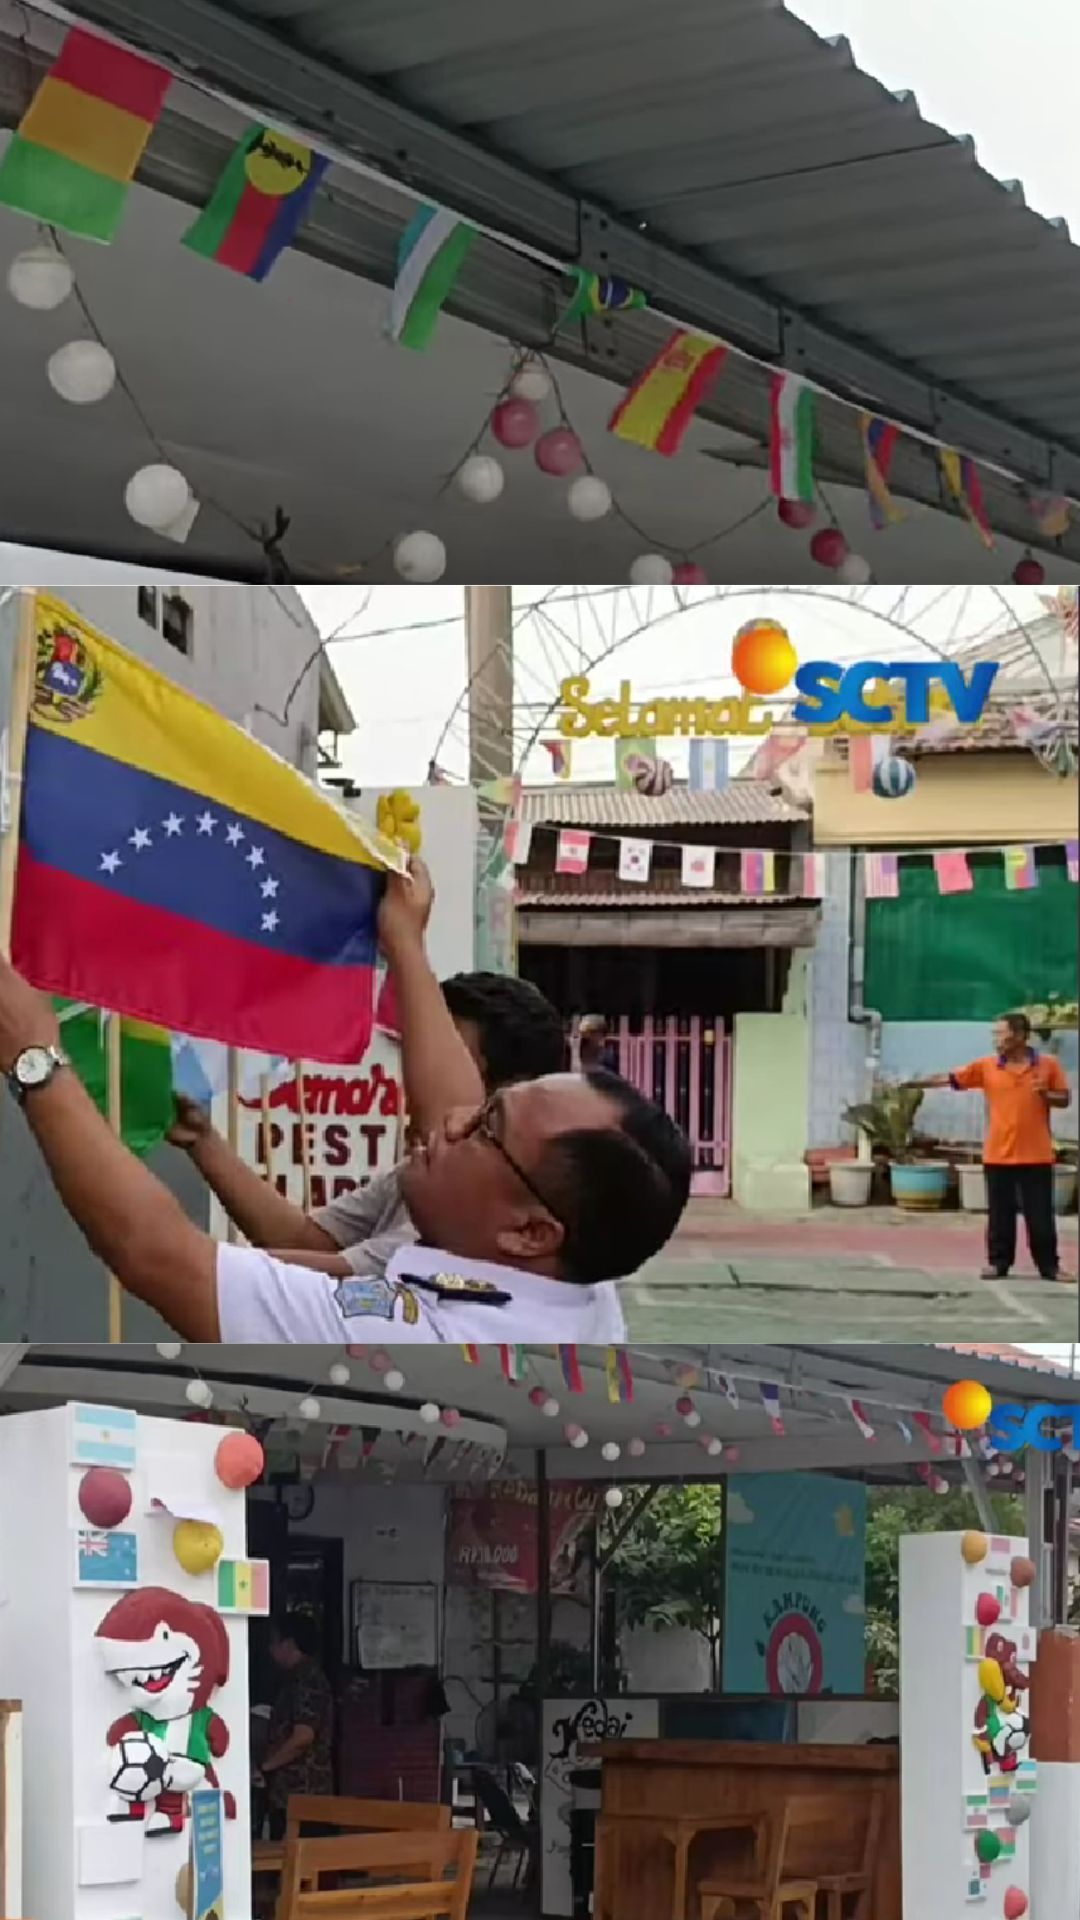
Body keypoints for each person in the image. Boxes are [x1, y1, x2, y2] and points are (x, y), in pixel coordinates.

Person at [0, 860, 691, 1342]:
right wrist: (405, 942)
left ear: (532, 1232)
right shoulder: (562, 1276)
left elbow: (155, 1253)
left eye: (484, 1125)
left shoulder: (417, 1338)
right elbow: (446, 1113)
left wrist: (35, 1057)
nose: (449, 1117)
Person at [168, 969, 567, 1277]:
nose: (415, 1072)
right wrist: (203, 1140)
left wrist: (159, 1247)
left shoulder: (476, 1222)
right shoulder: (428, 1168)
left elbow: (319, 1278)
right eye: (415, 1050)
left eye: (446, 1057)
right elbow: (308, 1241)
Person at [906, 1012, 1073, 1283]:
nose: (996, 1040)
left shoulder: (1048, 1065)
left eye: (1001, 1034)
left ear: (1020, 1036)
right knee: (999, 1215)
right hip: (998, 1154)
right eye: (994, 1034)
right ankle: (998, 1263)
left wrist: (1045, 1093)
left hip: (1037, 1154)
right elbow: (950, 1078)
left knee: (1040, 1216)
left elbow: (1064, 1099)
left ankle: (1050, 1267)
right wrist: (914, 1083)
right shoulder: (987, 1066)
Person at [257, 1614, 334, 1839]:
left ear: (289, 1644)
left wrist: (266, 1766)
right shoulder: (293, 1678)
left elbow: (303, 1737)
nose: (270, 1649)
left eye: (273, 1642)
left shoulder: (307, 1679)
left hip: (305, 1794)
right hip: (289, 1794)